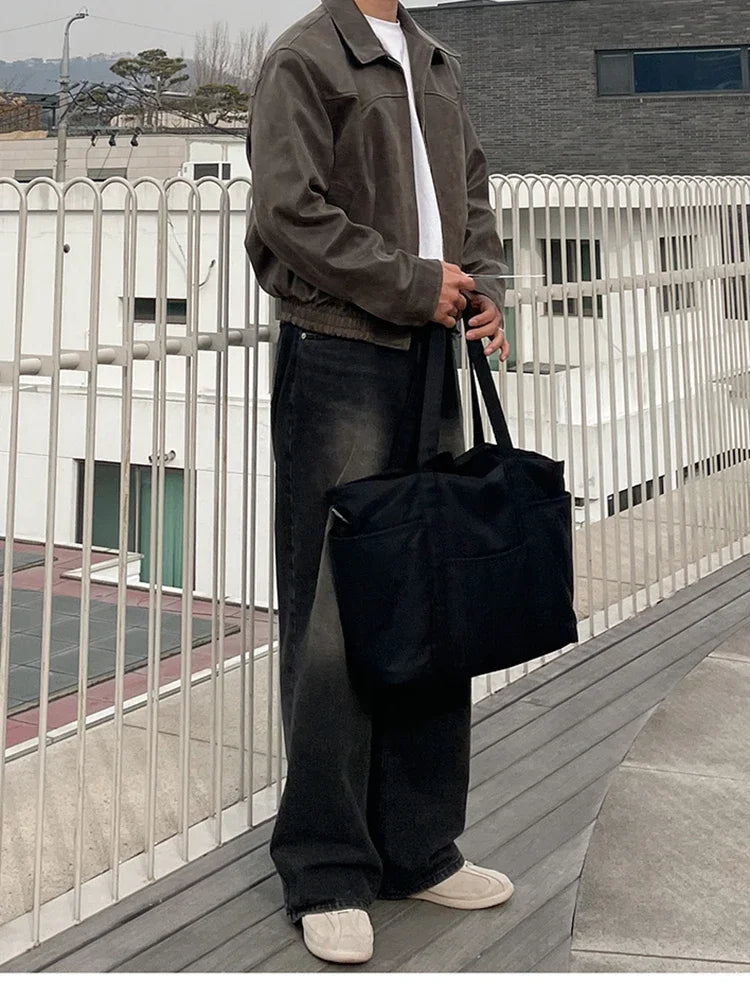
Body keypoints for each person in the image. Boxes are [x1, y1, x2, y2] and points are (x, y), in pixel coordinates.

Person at [245, 0, 513, 965]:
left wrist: (482, 286)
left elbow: (471, 196)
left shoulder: (436, 59)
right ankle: (325, 868)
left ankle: (419, 848)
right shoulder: (306, 58)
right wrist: (412, 282)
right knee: (333, 615)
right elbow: (289, 212)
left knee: (428, 598)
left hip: (433, 355)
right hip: (341, 355)